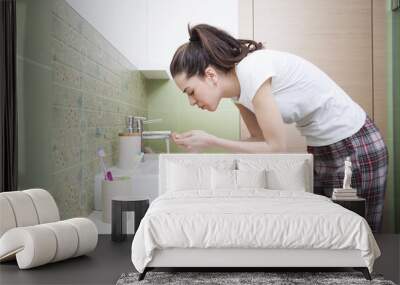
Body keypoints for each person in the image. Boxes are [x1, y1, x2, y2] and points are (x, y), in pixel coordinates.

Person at [169, 23, 388, 232]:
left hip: (355, 143)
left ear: (210, 75)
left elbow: (276, 148)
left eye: (190, 91)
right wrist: (208, 147)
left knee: (358, 234)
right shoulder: (237, 91)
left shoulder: (250, 70)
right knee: (333, 233)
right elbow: (258, 139)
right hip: (322, 148)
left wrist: (212, 141)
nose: (191, 101)